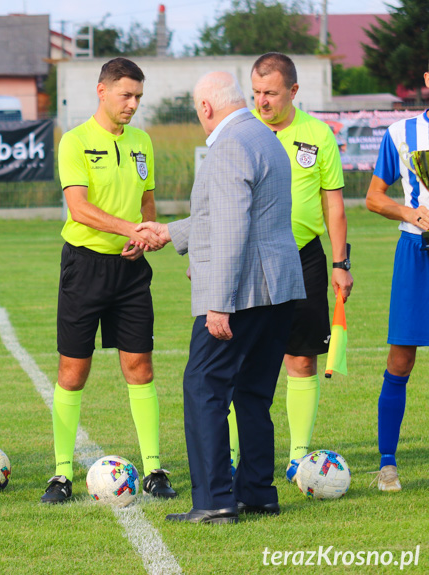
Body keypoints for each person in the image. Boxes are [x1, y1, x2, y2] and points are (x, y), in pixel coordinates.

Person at [139, 72, 305, 524]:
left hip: (242, 291)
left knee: (203, 387)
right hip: (277, 289)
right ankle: (256, 493)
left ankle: (214, 500)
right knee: (253, 393)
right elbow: (224, 213)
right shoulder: (262, 135)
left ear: (206, 108)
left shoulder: (228, 145)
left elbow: (233, 228)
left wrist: (219, 302)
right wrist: (171, 232)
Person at [42, 57, 175, 505]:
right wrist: (128, 228)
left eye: (138, 96)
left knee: (140, 367)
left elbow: (148, 201)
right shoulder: (75, 141)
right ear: (102, 91)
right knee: (72, 372)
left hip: (131, 269)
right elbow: (78, 208)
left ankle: (155, 469)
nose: (133, 104)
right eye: (126, 95)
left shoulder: (142, 142)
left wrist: (147, 236)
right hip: (85, 267)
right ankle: (61, 474)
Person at [231, 52, 353, 482]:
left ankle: (299, 456)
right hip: (246, 258)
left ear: (294, 92)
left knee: (300, 357)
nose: (261, 101)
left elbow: (332, 203)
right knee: (239, 357)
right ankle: (233, 454)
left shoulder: (317, 134)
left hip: (303, 257)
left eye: (270, 93)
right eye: (256, 92)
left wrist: (341, 262)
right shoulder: (240, 131)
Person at [365, 68, 429, 493]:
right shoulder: (402, 133)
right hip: (416, 253)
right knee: (401, 358)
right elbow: (373, 196)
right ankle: (387, 464)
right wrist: (411, 214)